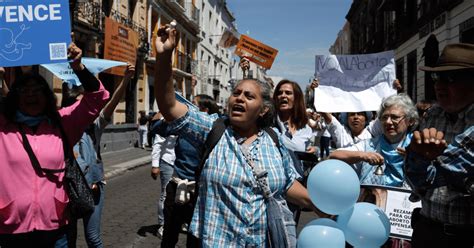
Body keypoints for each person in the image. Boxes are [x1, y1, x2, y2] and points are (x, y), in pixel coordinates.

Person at [154, 22, 315, 247]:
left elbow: (287, 184)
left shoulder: (274, 140)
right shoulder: (213, 129)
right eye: (236, 93)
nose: (239, 98)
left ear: (264, 109)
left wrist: (320, 205)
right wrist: (163, 58)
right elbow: (170, 107)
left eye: (249, 96)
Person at [0, 44, 109, 248]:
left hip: (57, 229)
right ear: (15, 96)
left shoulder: (62, 123)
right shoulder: (3, 127)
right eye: (25, 90)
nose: (31, 94)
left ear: (48, 96)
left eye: (38, 90)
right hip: (10, 229)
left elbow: (97, 98)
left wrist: (78, 67)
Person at [404, 43, 474, 248]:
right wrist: (419, 159)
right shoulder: (433, 115)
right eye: (437, 77)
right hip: (427, 231)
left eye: (450, 78)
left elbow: (439, 171)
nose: (439, 85)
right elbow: (415, 179)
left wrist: (427, 161)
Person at [64, 64, 135, 248]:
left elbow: (111, 104)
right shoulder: (60, 127)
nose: (87, 109)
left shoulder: (94, 126)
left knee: (93, 238)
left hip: (93, 187)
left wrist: (126, 79)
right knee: (67, 238)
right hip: (66, 189)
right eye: (82, 105)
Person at [152, 94, 219, 247]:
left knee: (195, 238)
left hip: (201, 192)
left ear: (204, 110)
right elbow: (156, 126)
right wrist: (166, 106)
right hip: (177, 187)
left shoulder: (215, 127)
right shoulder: (184, 127)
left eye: (192, 104)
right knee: (169, 236)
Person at [330, 94, 418, 188]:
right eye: (384, 117)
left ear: (410, 121)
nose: (388, 122)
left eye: (394, 117)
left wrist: (417, 160)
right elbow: (334, 155)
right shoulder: (370, 145)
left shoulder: (418, 145)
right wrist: (363, 155)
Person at [150, 112, 177, 239]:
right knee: (165, 194)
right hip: (168, 161)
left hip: (182, 163)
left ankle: (178, 221)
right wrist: (155, 165)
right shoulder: (166, 120)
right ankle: (162, 224)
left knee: (181, 195)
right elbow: (158, 143)